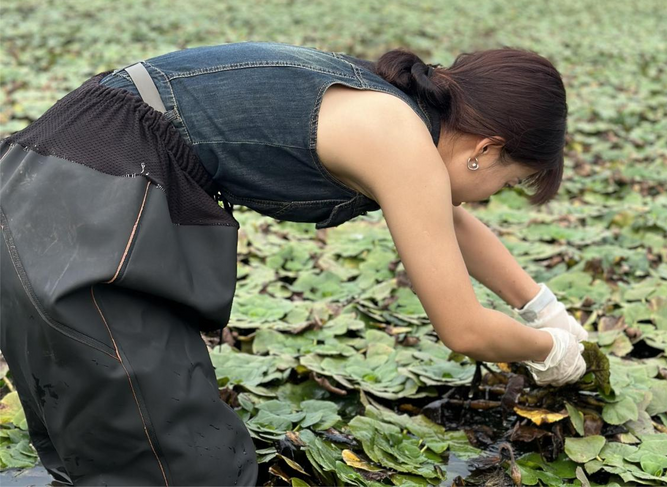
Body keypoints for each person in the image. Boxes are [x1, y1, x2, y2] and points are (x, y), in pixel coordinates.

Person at [0, 40, 587, 485]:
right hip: (86, 200)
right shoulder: (399, 140)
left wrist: (542, 307)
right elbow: (462, 329)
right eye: (510, 183)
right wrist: (551, 354)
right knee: (175, 466)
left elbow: (454, 226)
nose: (492, 194)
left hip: (45, 178)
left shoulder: (390, 113)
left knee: (96, 444)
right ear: (487, 150)